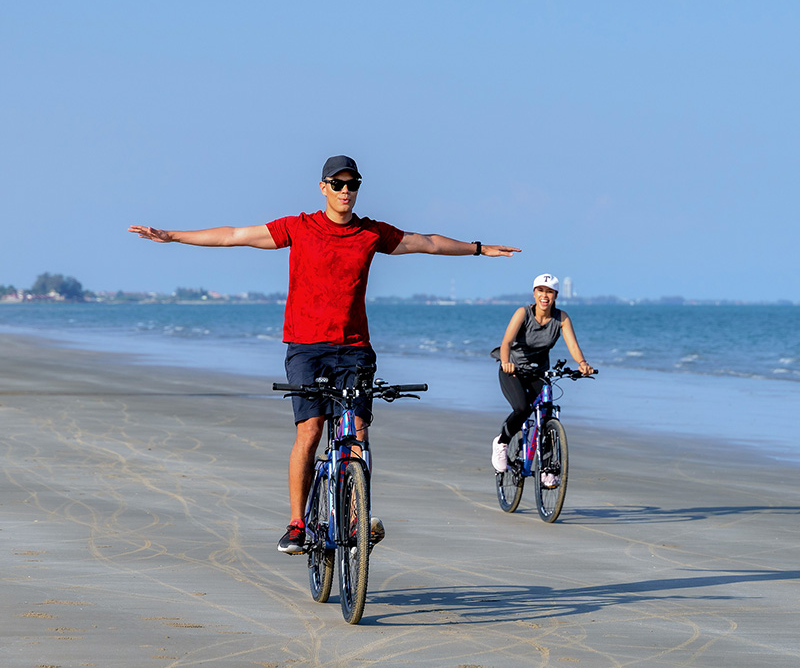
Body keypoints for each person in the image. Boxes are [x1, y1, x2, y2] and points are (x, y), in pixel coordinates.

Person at [129, 154, 520, 554]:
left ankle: (355, 516)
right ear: (323, 188)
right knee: (311, 430)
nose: (346, 191)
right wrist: (173, 236)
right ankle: (298, 523)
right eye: (338, 184)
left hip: (354, 351)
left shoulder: (371, 233)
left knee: (357, 433)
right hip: (306, 348)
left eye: (353, 184)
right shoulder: (299, 228)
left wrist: (478, 248)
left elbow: (428, 243)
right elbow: (234, 235)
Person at [491, 273, 593, 486]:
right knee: (522, 408)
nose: (544, 296)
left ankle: (547, 467)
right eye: (540, 291)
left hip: (539, 372)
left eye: (549, 292)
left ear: (556, 295)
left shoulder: (561, 318)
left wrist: (582, 363)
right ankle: (501, 443)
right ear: (534, 293)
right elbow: (507, 342)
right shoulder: (523, 313)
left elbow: (573, 345)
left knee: (546, 414)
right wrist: (505, 362)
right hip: (513, 370)